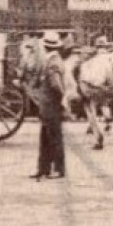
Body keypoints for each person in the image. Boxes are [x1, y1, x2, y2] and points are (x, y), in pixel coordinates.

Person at [31, 32, 67, 180]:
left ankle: (58, 170)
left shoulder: (52, 63)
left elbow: (56, 85)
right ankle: (43, 169)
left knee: (54, 138)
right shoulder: (52, 60)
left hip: (51, 105)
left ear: (45, 47)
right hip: (49, 106)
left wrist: (60, 100)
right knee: (46, 139)